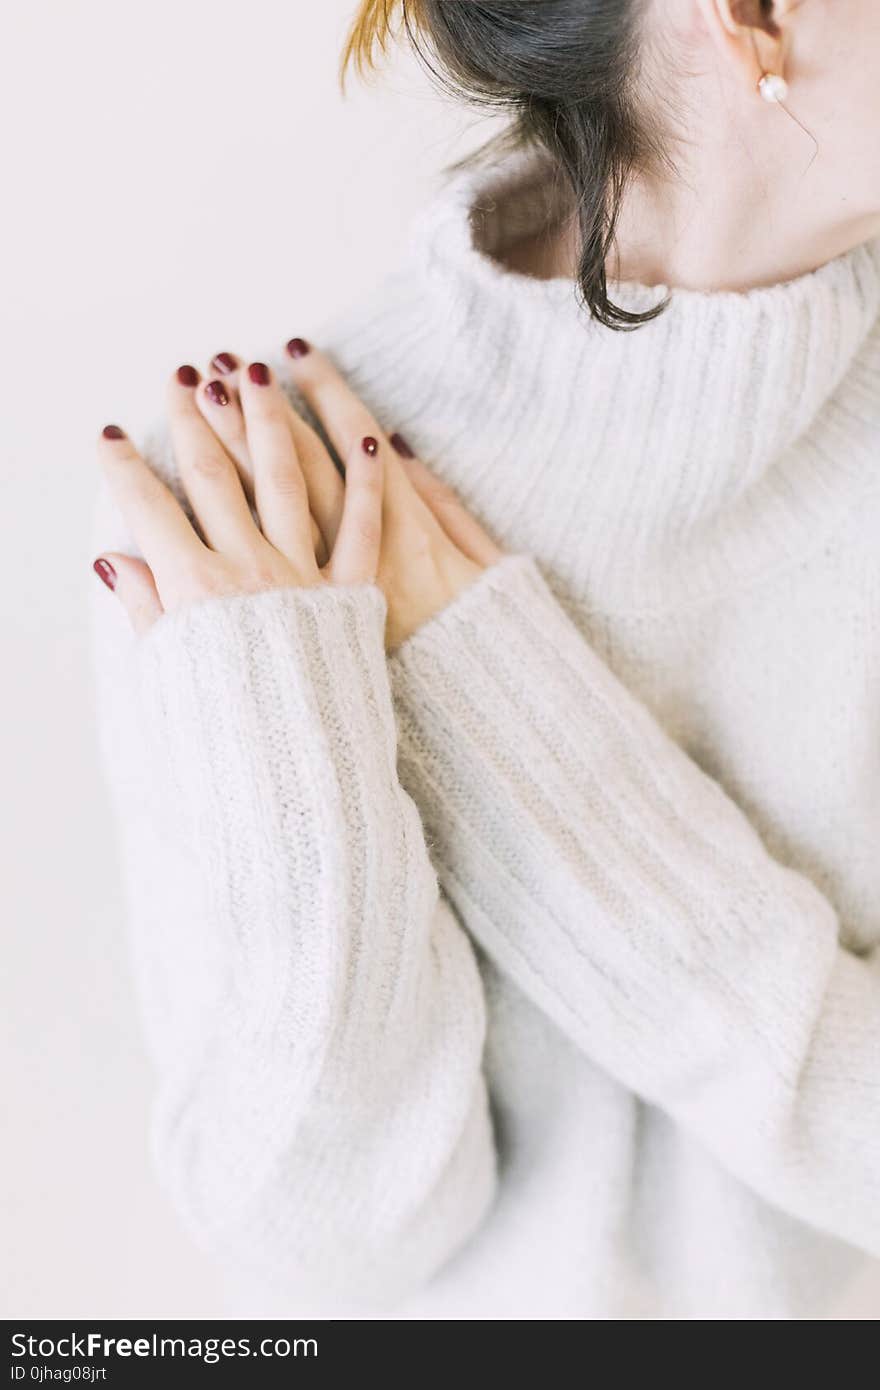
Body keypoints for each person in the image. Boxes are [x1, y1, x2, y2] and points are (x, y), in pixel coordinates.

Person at [90, 0, 880, 1319]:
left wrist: (526, 749)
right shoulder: (249, 514)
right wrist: (300, 744)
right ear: (752, 18)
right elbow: (322, 1248)